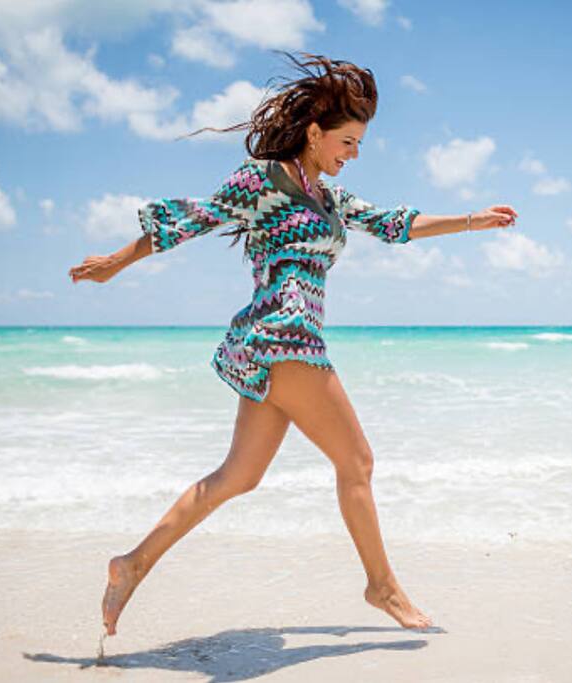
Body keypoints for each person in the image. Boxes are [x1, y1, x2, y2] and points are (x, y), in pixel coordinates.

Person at [68, 51, 518, 636]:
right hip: (285, 337)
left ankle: (132, 564)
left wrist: (472, 220)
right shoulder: (261, 180)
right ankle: (382, 587)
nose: (353, 154)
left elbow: (394, 224)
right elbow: (192, 218)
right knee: (357, 461)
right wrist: (115, 262)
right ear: (314, 133)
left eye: (358, 145)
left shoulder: (330, 199)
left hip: (273, 345)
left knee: (238, 476)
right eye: (347, 142)